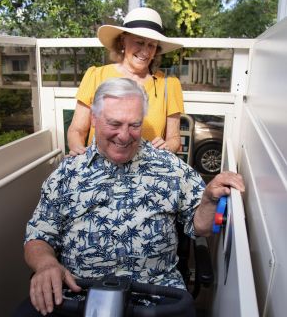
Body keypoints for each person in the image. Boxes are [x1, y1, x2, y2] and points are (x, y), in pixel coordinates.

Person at [15, 78, 245, 316]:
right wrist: (46, 264)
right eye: (114, 124)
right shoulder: (67, 173)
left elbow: (201, 228)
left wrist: (208, 198)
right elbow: (37, 236)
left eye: (134, 125)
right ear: (94, 119)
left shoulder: (170, 167)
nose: (124, 136)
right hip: (77, 295)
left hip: (156, 297)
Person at [67, 7, 184, 156]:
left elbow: (174, 138)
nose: (145, 52)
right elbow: (77, 130)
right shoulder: (96, 75)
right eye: (139, 42)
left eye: (151, 45)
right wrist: (79, 152)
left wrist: (167, 147)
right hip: (99, 169)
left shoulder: (168, 85)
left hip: (146, 173)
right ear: (123, 41)